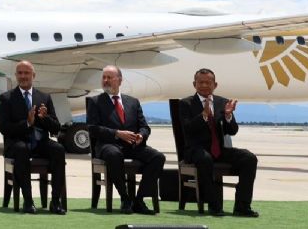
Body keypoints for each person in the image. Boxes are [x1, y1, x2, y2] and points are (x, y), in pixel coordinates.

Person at [179, 68, 259, 217]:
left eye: (208, 82)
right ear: (194, 84)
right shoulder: (186, 103)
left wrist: (228, 116)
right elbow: (188, 129)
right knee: (205, 159)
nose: (204, 85)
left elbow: (232, 130)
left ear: (215, 85)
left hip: (219, 150)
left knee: (249, 158)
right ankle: (214, 205)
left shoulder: (222, 102)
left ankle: (242, 206)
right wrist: (203, 115)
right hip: (196, 150)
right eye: (200, 82)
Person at [86, 65, 165, 215]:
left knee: (158, 157)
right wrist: (117, 133)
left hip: (133, 146)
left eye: (110, 77)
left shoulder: (133, 102)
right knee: (114, 155)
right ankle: (125, 198)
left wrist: (141, 135)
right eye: (104, 77)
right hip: (108, 145)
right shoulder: (96, 102)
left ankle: (139, 200)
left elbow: (144, 127)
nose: (106, 80)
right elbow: (93, 128)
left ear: (120, 80)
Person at [0, 60, 66, 215]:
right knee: (21, 150)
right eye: (20, 73)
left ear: (33, 75)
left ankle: (55, 201)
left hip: (40, 143)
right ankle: (28, 201)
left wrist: (45, 118)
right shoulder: (7, 98)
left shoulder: (44, 97)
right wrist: (27, 123)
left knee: (58, 149)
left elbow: (56, 128)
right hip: (17, 143)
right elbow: (5, 128)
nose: (23, 76)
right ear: (15, 76)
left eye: (26, 73)